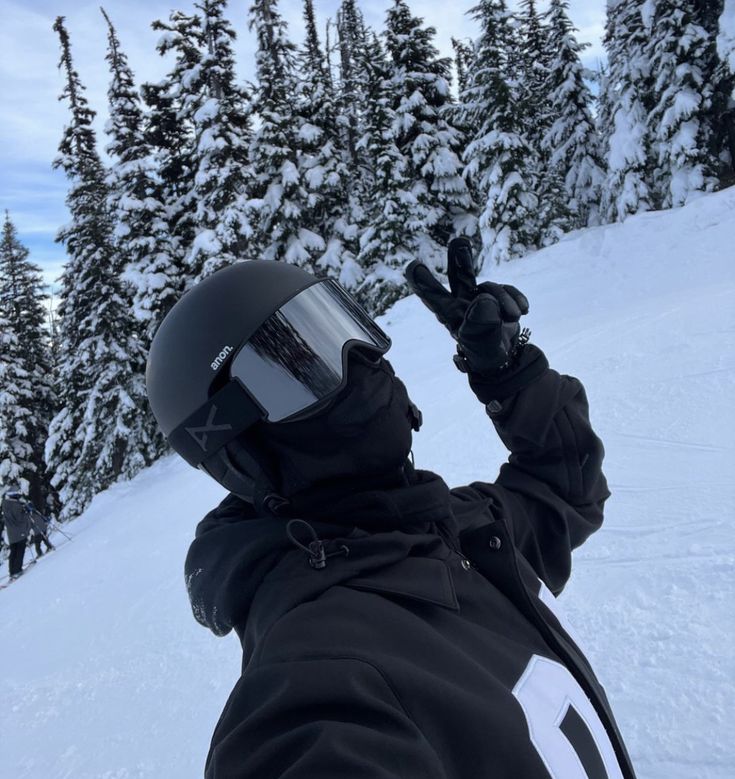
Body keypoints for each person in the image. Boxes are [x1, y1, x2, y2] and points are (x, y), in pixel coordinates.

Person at [146, 242, 637, 779]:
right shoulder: (317, 677)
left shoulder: (462, 530)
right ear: (240, 453)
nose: (360, 362)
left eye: (339, 330)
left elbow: (565, 485)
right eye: (300, 373)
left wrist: (509, 373)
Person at [1, 489, 31, 580]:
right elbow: (20, 519)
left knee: (13, 552)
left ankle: (12, 571)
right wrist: (26, 512)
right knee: (20, 551)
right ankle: (17, 570)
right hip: (19, 532)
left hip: (11, 533)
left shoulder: (5, 504)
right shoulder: (15, 505)